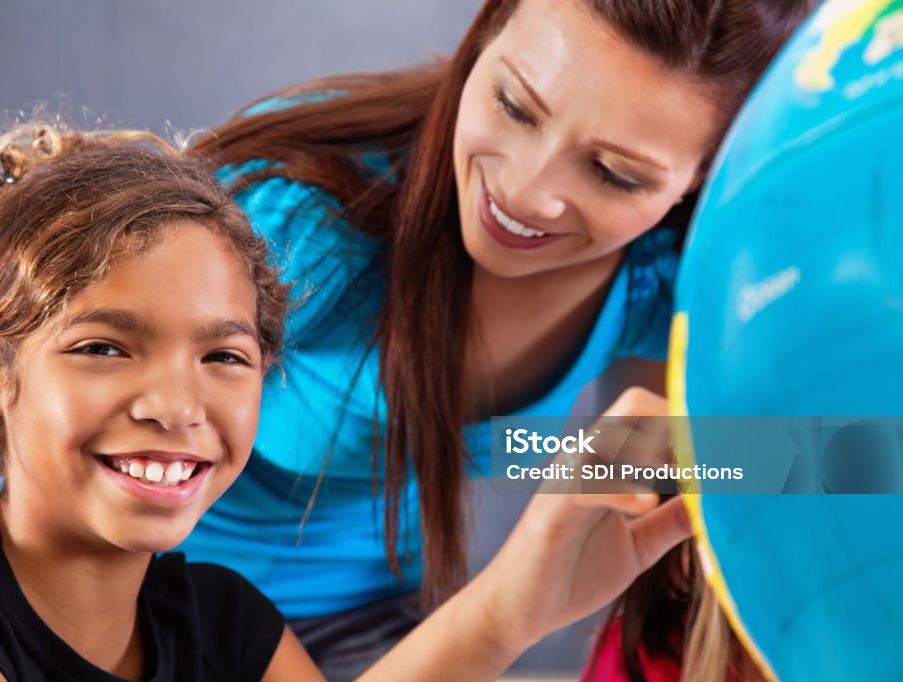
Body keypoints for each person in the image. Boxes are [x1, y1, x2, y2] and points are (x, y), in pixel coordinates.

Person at [0, 119, 697, 681]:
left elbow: (755, 452)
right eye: (103, 348)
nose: (176, 403)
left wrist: (525, 600)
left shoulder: (228, 623)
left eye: (224, 356)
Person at [183, 0, 816, 676]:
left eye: (614, 174)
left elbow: (821, 456)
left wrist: (632, 455)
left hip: (379, 620)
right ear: (483, 37)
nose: (525, 190)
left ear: (702, 181)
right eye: (515, 106)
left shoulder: (661, 273)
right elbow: (75, 441)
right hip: (163, 598)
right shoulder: (299, 227)